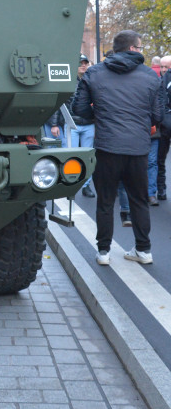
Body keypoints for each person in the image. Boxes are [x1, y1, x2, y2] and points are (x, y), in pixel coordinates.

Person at [72, 30, 163, 266]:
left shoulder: (94, 72)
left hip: (107, 146)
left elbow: (79, 109)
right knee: (139, 200)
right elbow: (158, 114)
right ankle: (144, 250)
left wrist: (101, 115)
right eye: (141, 47)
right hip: (138, 148)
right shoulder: (150, 76)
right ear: (133, 49)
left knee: (105, 201)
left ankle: (103, 252)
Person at [71, 54, 95, 197]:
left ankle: (86, 185)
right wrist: (56, 124)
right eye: (80, 63)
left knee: (88, 156)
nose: (83, 65)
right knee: (72, 157)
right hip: (72, 124)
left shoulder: (92, 81)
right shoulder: (69, 82)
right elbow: (63, 103)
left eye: (85, 63)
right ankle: (71, 186)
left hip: (88, 124)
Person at [157, 54, 171, 200]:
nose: (163, 70)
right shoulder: (159, 81)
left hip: (165, 124)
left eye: (166, 67)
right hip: (163, 127)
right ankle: (161, 189)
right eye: (162, 66)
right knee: (160, 160)